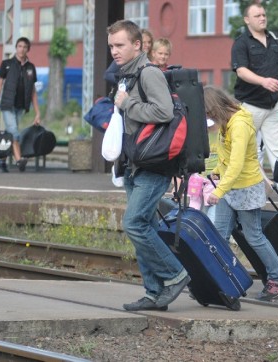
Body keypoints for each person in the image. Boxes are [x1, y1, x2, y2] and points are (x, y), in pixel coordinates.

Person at [110, 20, 190, 311]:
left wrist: (127, 103)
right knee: (145, 226)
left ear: (137, 45)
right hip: (135, 164)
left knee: (133, 224)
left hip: (154, 165)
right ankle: (154, 293)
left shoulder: (149, 73)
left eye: (120, 45)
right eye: (111, 46)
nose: (114, 51)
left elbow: (164, 111)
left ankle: (175, 275)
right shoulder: (127, 76)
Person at [203, 85, 278, 301]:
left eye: (208, 113)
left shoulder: (240, 124)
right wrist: (216, 171)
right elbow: (227, 156)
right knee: (220, 234)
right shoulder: (226, 123)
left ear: (215, 108)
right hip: (229, 185)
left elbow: (238, 162)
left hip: (245, 187)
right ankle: (221, 278)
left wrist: (220, 189)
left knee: (254, 236)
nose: (209, 119)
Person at [231, 2, 278, 196]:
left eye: (264, 15)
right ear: (247, 20)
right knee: (246, 150)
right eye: (257, 16)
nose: (262, 18)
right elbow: (241, 71)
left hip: (274, 106)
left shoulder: (276, 40)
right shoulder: (241, 42)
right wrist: (263, 81)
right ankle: (248, 192)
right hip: (250, 106)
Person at [0, 37, 41, 173]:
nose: (21, 49)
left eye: (24, 47)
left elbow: (33, 91)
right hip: (7, 104)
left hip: (21, 105)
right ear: (16, 48)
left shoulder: (31, 68)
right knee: (13, 131)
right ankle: (19, 161)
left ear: (28, 49)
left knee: (11, 133)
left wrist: (37, 112)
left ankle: (2, 160)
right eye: (19, 46)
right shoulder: (7, 64)